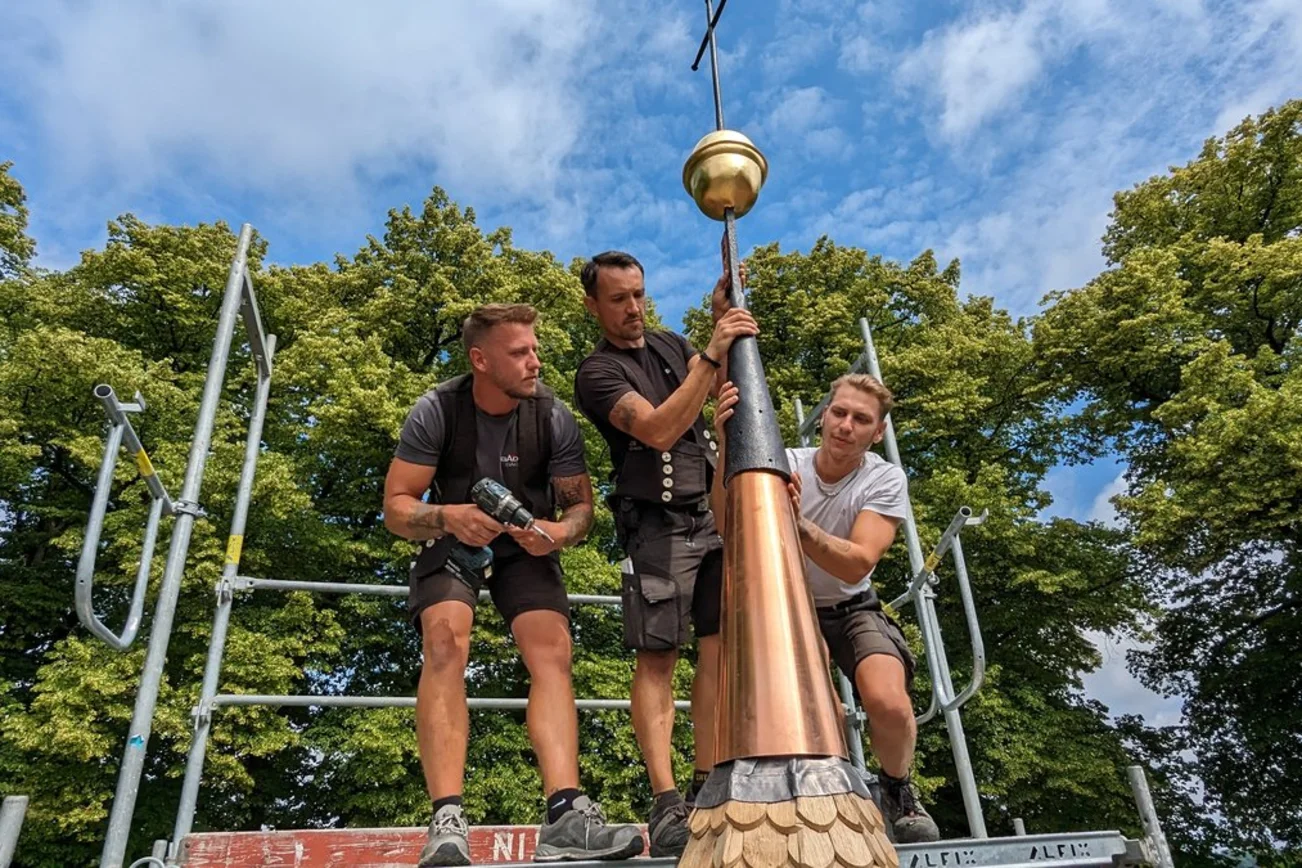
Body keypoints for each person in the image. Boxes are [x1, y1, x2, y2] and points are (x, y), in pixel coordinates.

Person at [384, 303, 644, 866]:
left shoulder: (553, 415)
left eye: (535, 348)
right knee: (444, 642)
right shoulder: (435, 410)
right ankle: (448, 819)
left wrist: (557, 532)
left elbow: (581, 509)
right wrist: (448, 516)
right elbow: (397, 510)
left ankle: (565, 815)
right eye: (520, 353)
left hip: (526, 542)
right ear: (480, 359)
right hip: (453, 535)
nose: (535, 361)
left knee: (552, 651)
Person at [572, 251, 758, 857]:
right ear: (593, 304)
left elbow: (717, 382)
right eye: (620, 299)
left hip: (709, 516)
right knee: (658, 657)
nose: (634, 308)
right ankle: (665, 799)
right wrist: (709, 353)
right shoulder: (595, 372)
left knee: (719, 649)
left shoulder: (672, 345)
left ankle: (708, 782)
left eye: (639, 295)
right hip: (653, 527)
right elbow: (655, 429)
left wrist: (721, 310)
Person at [710, 372, 941, 844]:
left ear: (877, 432)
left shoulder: (884, 477)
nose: (845, 426)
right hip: (789, 605)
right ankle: (829, 799)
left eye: (861, 419)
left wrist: (801, 526)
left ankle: (896, 789)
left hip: (853, 605)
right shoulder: (784, 461)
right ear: (824, 416)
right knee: (819, 711)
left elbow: (857, 564)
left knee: (889, 702)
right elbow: (725, 519)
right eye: (839, 413)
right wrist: (726, 448)